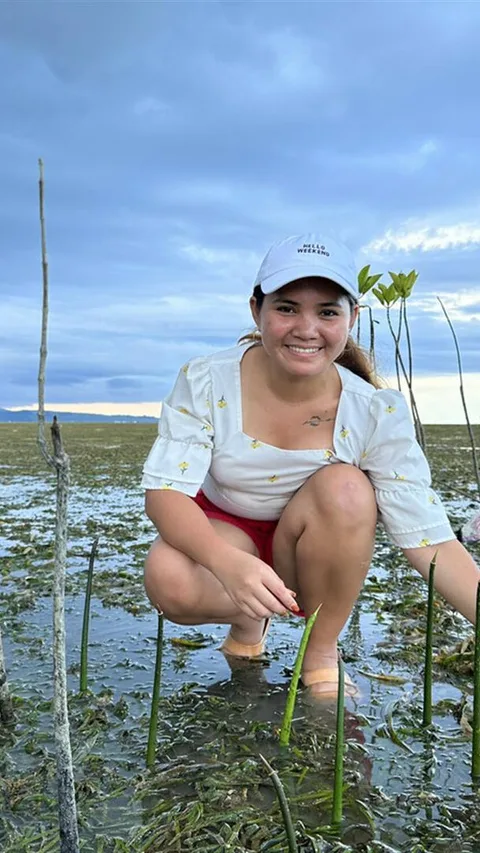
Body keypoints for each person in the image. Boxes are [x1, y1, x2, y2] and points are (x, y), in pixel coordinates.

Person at [142, 233, 480, 699]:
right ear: (256, 310)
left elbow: (430, 538)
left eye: (326, 311)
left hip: (310, 545)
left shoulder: (373, 411)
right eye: (286, 308)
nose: (306, 329)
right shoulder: (205, 379)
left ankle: (320, 650)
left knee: (346, 488)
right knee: (168, 577)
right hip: (226, 529)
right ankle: (248, 615)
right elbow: (165, 494)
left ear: (352, 318)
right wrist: (228, 564)